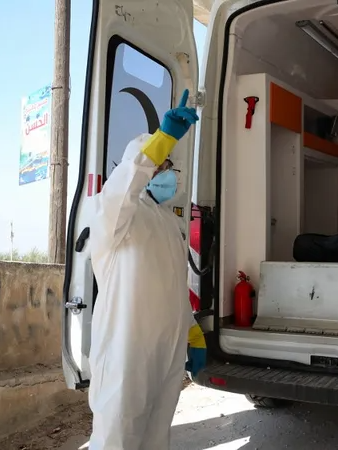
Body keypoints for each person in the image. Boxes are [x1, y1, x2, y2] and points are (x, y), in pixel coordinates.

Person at [87, 89, 206, 449]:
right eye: (159, 164)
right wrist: (162, 138)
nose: (166, 172)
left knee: (156, 437)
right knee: (116, 438)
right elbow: (126, 182)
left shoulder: (168, 223)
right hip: (125, 355)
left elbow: (173, 285)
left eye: (168, 166)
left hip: (165, 353)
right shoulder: (114, 215)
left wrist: (191, 331)